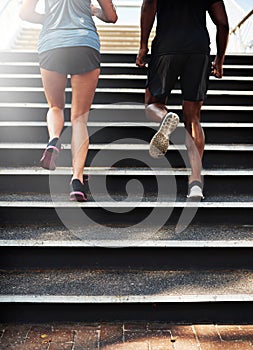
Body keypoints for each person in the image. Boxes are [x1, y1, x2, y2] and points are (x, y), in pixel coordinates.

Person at [19, 0, 117, 201]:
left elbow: (25, 13)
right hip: (84, 43)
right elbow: (112, 16)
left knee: (55, 106)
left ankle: (54, 139)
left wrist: (49, 19)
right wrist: (94, 11)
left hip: (52, 43)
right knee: (79, 118)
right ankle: (77, 180)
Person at [136, 0, 229, 200]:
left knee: (152, 104)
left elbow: (149, 5)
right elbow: (222, 22)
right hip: (198, 48)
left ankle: (166, 118)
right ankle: (195, 183)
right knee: (193, 118)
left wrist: (143, 45)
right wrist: (220, 59)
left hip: (166, 45)